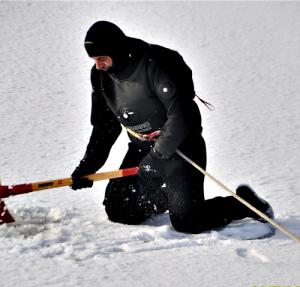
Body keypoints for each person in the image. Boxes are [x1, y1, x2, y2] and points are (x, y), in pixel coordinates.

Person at [70, 21, 274, 233]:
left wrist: (157, 156)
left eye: (101, 58)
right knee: (119, 209)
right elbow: (105, 126)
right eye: (94, 60)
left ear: (116, 49)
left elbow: (181, 115)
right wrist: (88, 167)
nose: (98, 65)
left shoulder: (158, 62)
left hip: (180, 146)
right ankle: (174, 199)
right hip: (142, 147)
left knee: (188, 221)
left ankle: (241, 203)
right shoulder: (101, 76)